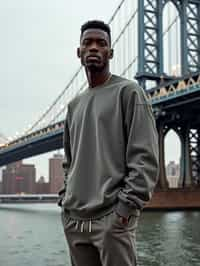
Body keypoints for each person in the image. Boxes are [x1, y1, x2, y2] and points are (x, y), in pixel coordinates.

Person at [58, 20, 159, 266]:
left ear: (110, 53)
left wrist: (124, 210)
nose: (93, 48)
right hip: (75, 221)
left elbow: (144, 158)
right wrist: (65, 200)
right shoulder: (74, 106)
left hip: (112, 221)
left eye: (101, 43)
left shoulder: (129, 93)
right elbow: (69, 161)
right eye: (87, 43)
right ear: (79, 52)